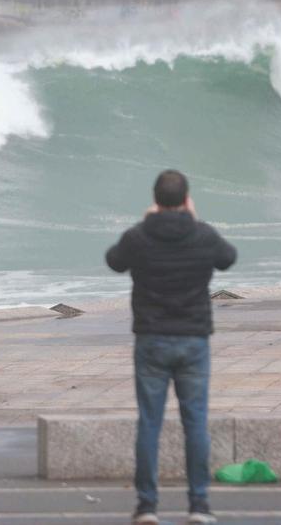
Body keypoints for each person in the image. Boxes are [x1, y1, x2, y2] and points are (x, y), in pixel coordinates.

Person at [106, 170, 236, 525]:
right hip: (193, 340)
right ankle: (199, 505)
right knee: (195, 423)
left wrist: (148, 222)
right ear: (186, 199)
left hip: (151, 340)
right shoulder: (202, 233)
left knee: (149, 422)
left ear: (155, 199)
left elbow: (114, 261)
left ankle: (147, 506)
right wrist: (193, 220)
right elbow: (228, 257)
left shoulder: (139, 235)